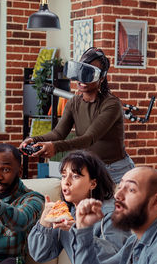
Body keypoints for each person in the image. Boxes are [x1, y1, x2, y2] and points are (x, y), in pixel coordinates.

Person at [19, 47, 134, 183]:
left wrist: (55, 147)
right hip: (91, 167)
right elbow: (58, 133)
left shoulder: (112, 104)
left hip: (116, 170)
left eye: (89, 73)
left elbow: (89, 138)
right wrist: (34, 140)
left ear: (101, 78)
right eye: (82, 71)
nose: (82, 78)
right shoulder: (74, 102)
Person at [72, 166, 157, 264]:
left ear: (156, 201)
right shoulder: (135, 242)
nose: (118, 195)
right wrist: (84, 229)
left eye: (131, 189)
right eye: (120, 187)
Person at [27, 150, 131, 263]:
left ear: (93, 183)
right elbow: (40, 255)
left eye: (75, 176)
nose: (66, 182)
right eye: (63, 176)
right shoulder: (68, 212)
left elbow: (119, 258)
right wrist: (45, 221)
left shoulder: (111, 214)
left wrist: (79, 231)